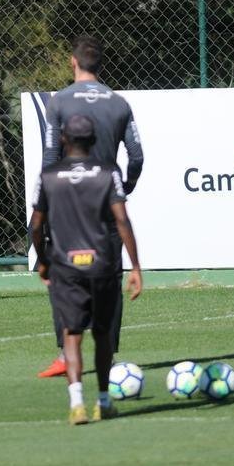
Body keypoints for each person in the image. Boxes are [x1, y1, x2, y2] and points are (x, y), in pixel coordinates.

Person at [37, 34, 145, 378]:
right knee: (109, 276)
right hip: (105, 198)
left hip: (66, 202)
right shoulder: (119, 103)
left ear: (73, 62)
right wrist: (124, 187)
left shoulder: (59, 102)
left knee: (62, 272)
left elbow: (51, 157)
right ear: (100, 65)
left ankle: (65, 355)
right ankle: (107, 356)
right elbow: (137, 156)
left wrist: (48, 198)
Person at [29, 114, 143, 425]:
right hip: (102, 263)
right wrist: (135, 265)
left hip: (66, 265)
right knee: (102, 333)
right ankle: (103, 401)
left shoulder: (48, 175)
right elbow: (122, 220)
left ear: (63, 140)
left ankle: (77, 403)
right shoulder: (108, 172)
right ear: (93, 141)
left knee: (72, 332)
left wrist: (44, 260)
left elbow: (36, 225)